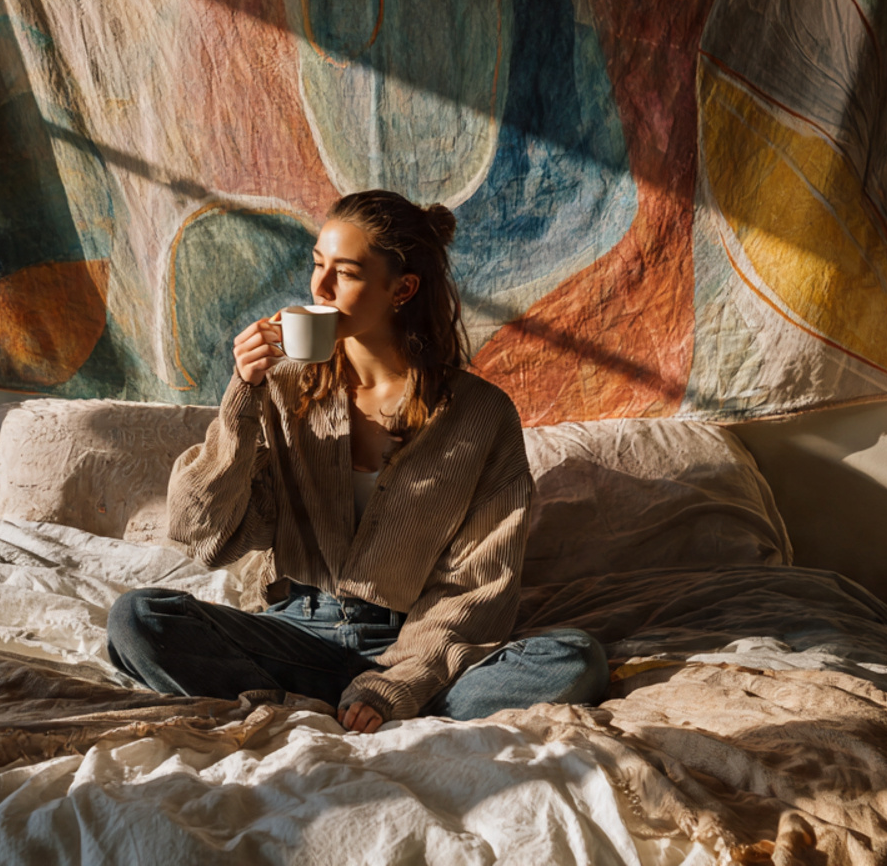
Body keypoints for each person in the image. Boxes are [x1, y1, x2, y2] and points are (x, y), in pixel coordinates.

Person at [107, 190, 608, 731]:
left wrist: (397, 681)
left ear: (403, 289)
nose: (318, 288)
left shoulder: (482, 415)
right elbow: (201, 534)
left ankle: (358, 702)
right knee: (137, 619)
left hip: (414, 640)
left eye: (344, 273)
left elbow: (476, 585)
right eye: (317, 265)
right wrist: (241, 397)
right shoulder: (282, 386)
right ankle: (353, 705)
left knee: (576, 659)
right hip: (296, 632)